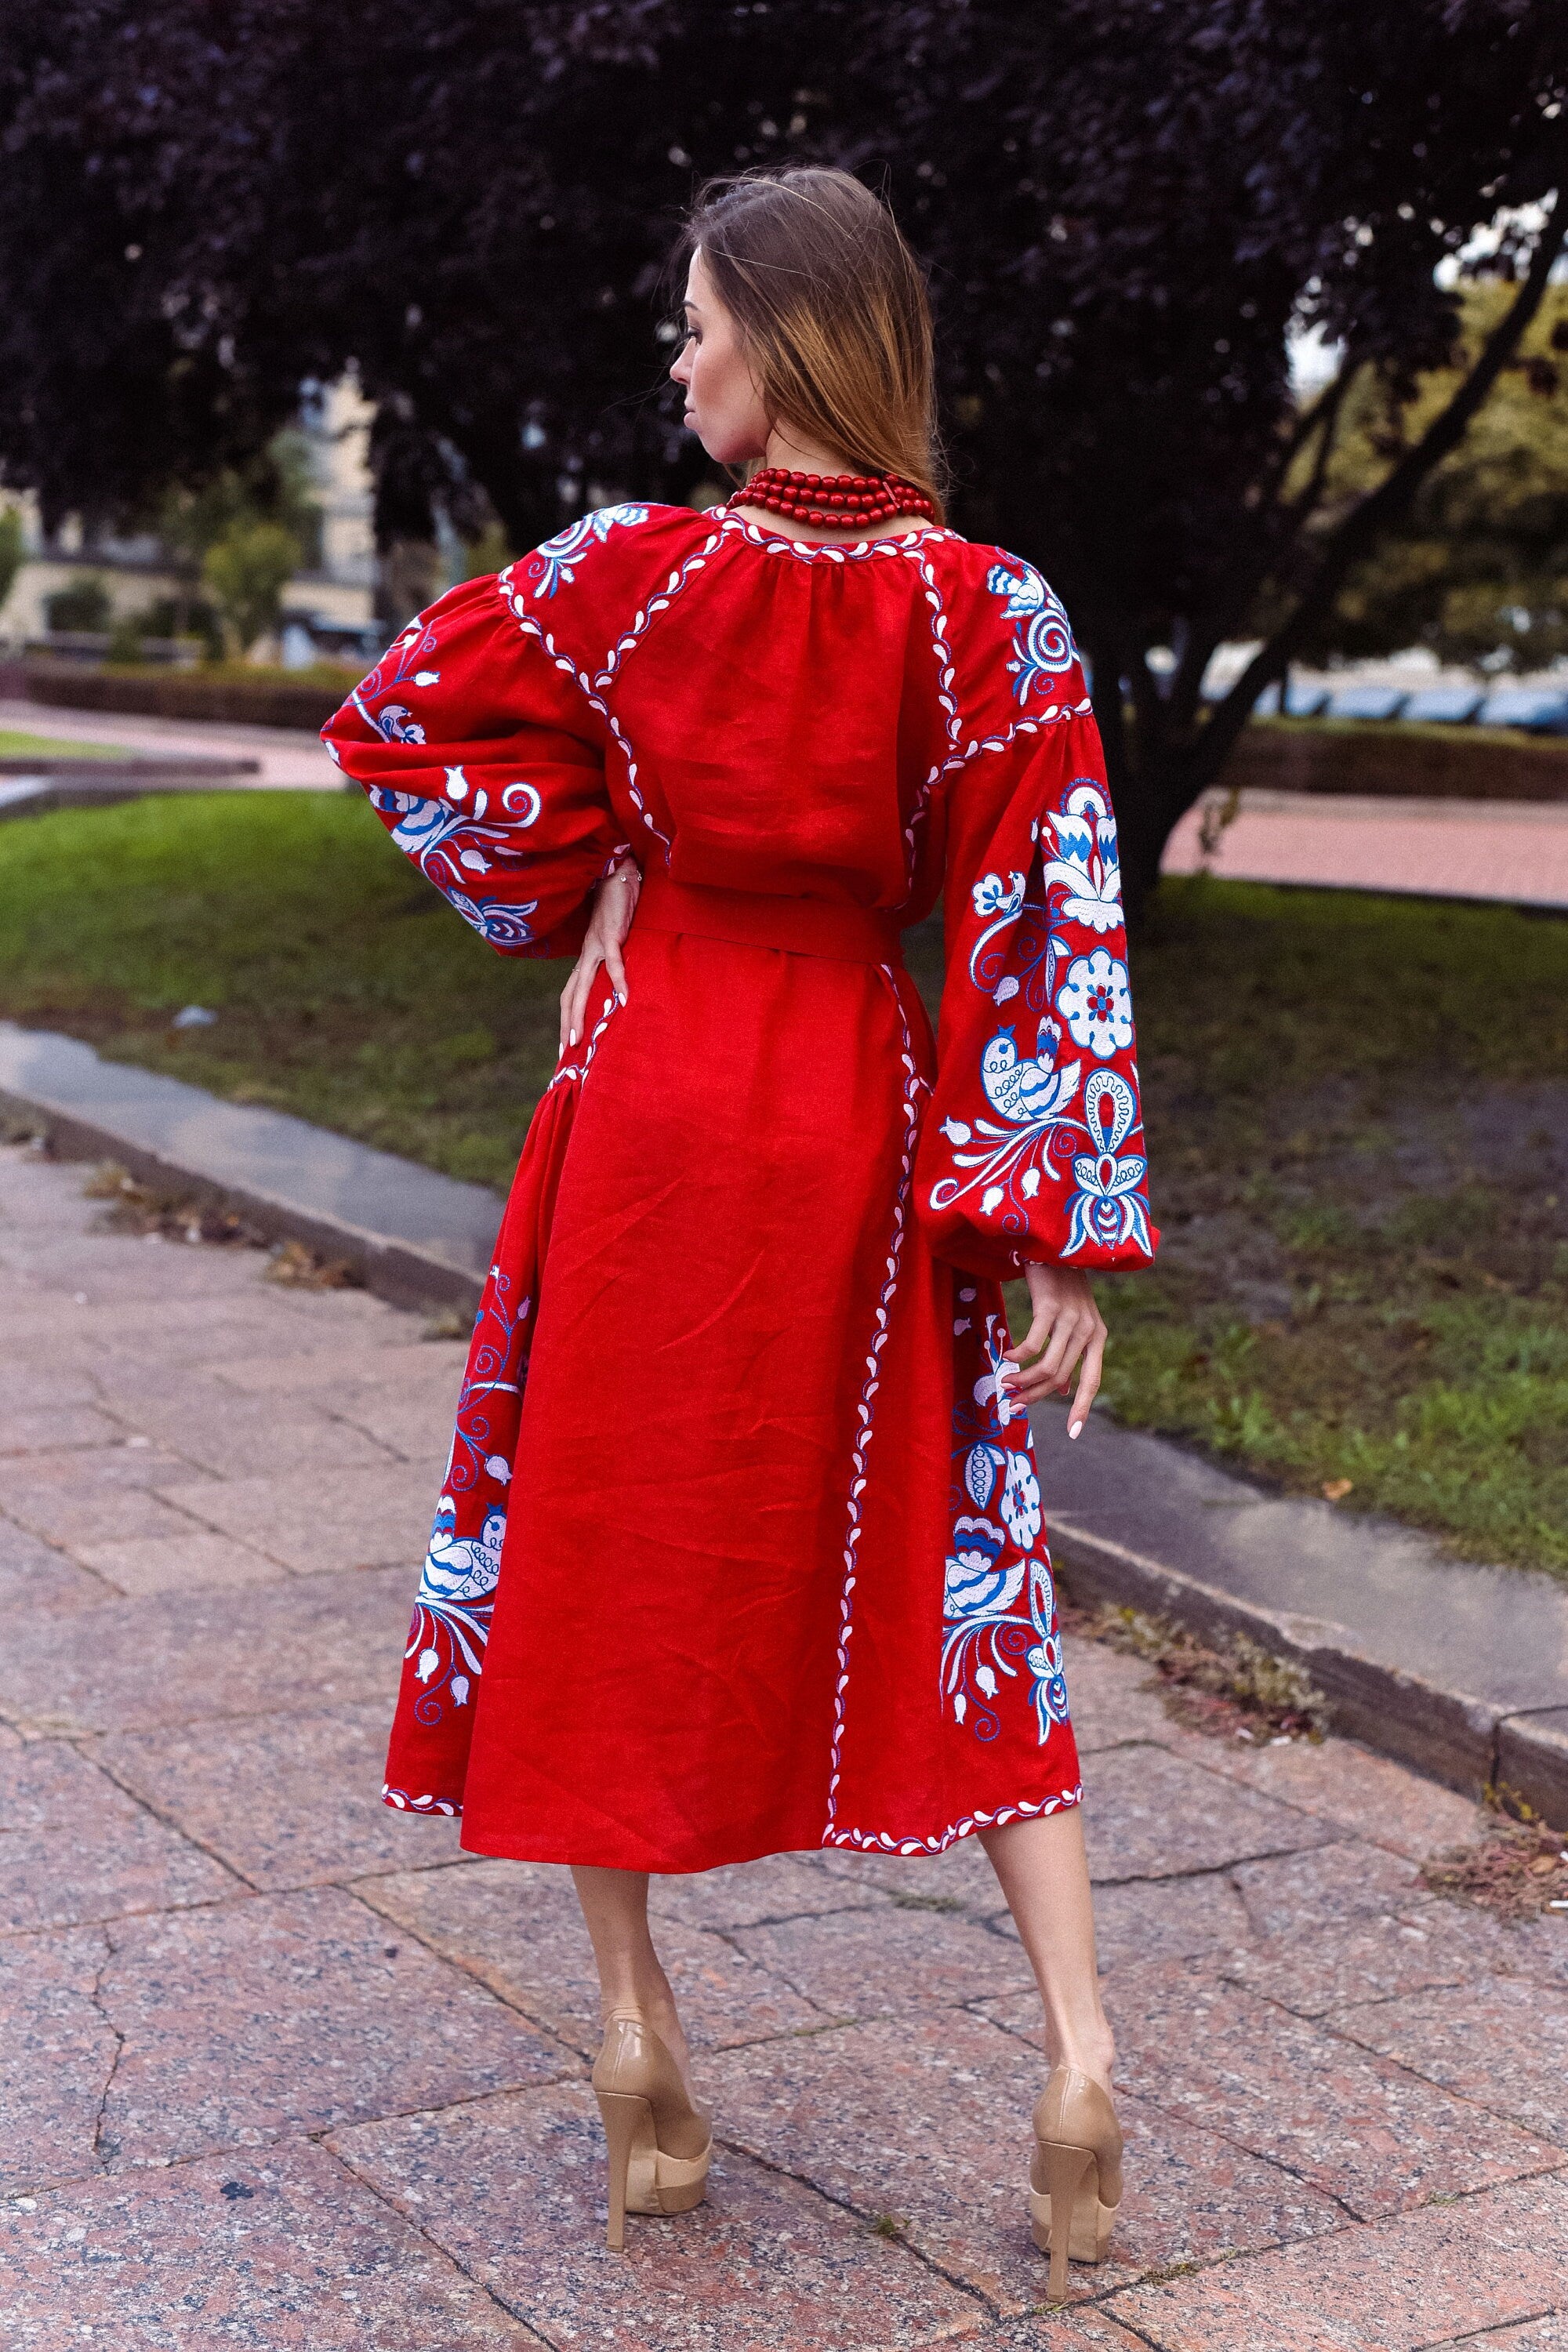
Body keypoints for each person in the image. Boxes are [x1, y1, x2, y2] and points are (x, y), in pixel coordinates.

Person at [323, 164, 1156, 2299]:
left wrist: (590, 870)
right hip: (859, 1120)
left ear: (778, 348)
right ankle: (1075, 2054)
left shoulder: (620, 579)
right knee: (963, 1550)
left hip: (650, 1103)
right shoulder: (996, 612)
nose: (678, 358)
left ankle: (636, 2034)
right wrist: (1050, 1226)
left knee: (601, 1540)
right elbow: (1043, 911)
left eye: (699, 323)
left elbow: (405, 718)